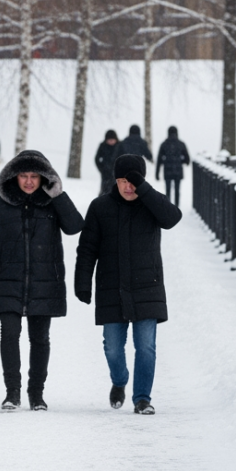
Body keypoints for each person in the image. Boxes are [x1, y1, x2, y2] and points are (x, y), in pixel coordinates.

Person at [0, 150, 84, 411]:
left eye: (34, 176)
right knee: (9, 334)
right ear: (15, 176)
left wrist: (58, 195)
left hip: (45, 283)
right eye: (24, 176)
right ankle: (12, 392)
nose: (29, 181)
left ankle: (36, 394)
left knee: (40, 338)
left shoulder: (52, 202)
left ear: (44, 178)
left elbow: (75, 226)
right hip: (6, 281)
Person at [74, 154, 182, 415]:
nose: (128, 187)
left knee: (145, 346)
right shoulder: (100, 207)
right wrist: (82, 282)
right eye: (123, 180)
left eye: (133, 181)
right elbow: (87, 248)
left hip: (147, 287)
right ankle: (119, 380)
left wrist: (144, 189)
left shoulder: (152, 205)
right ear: (116, 181)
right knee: (112, 347)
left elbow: (172, 217)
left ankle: (142, 398)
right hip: (111, 287)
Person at [155, 126, 191, 206]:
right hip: (178, 170)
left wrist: (157, 173)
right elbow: (187, 159)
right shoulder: (181, 144)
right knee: (177, 190)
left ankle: (168, 207)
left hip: (167, 170)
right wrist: (181, 161)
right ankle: (176, 207)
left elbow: (159, 159)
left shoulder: (164, 144)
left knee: (168, 190)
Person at [93, 129, 121, 196]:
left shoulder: (120, 146)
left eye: (112, 140)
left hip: (117, 172)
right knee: (105, 189)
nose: (111, 141)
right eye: (109, 140)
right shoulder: (103, 146)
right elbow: (97, 158)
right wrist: (101, 168)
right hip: (105, 171)